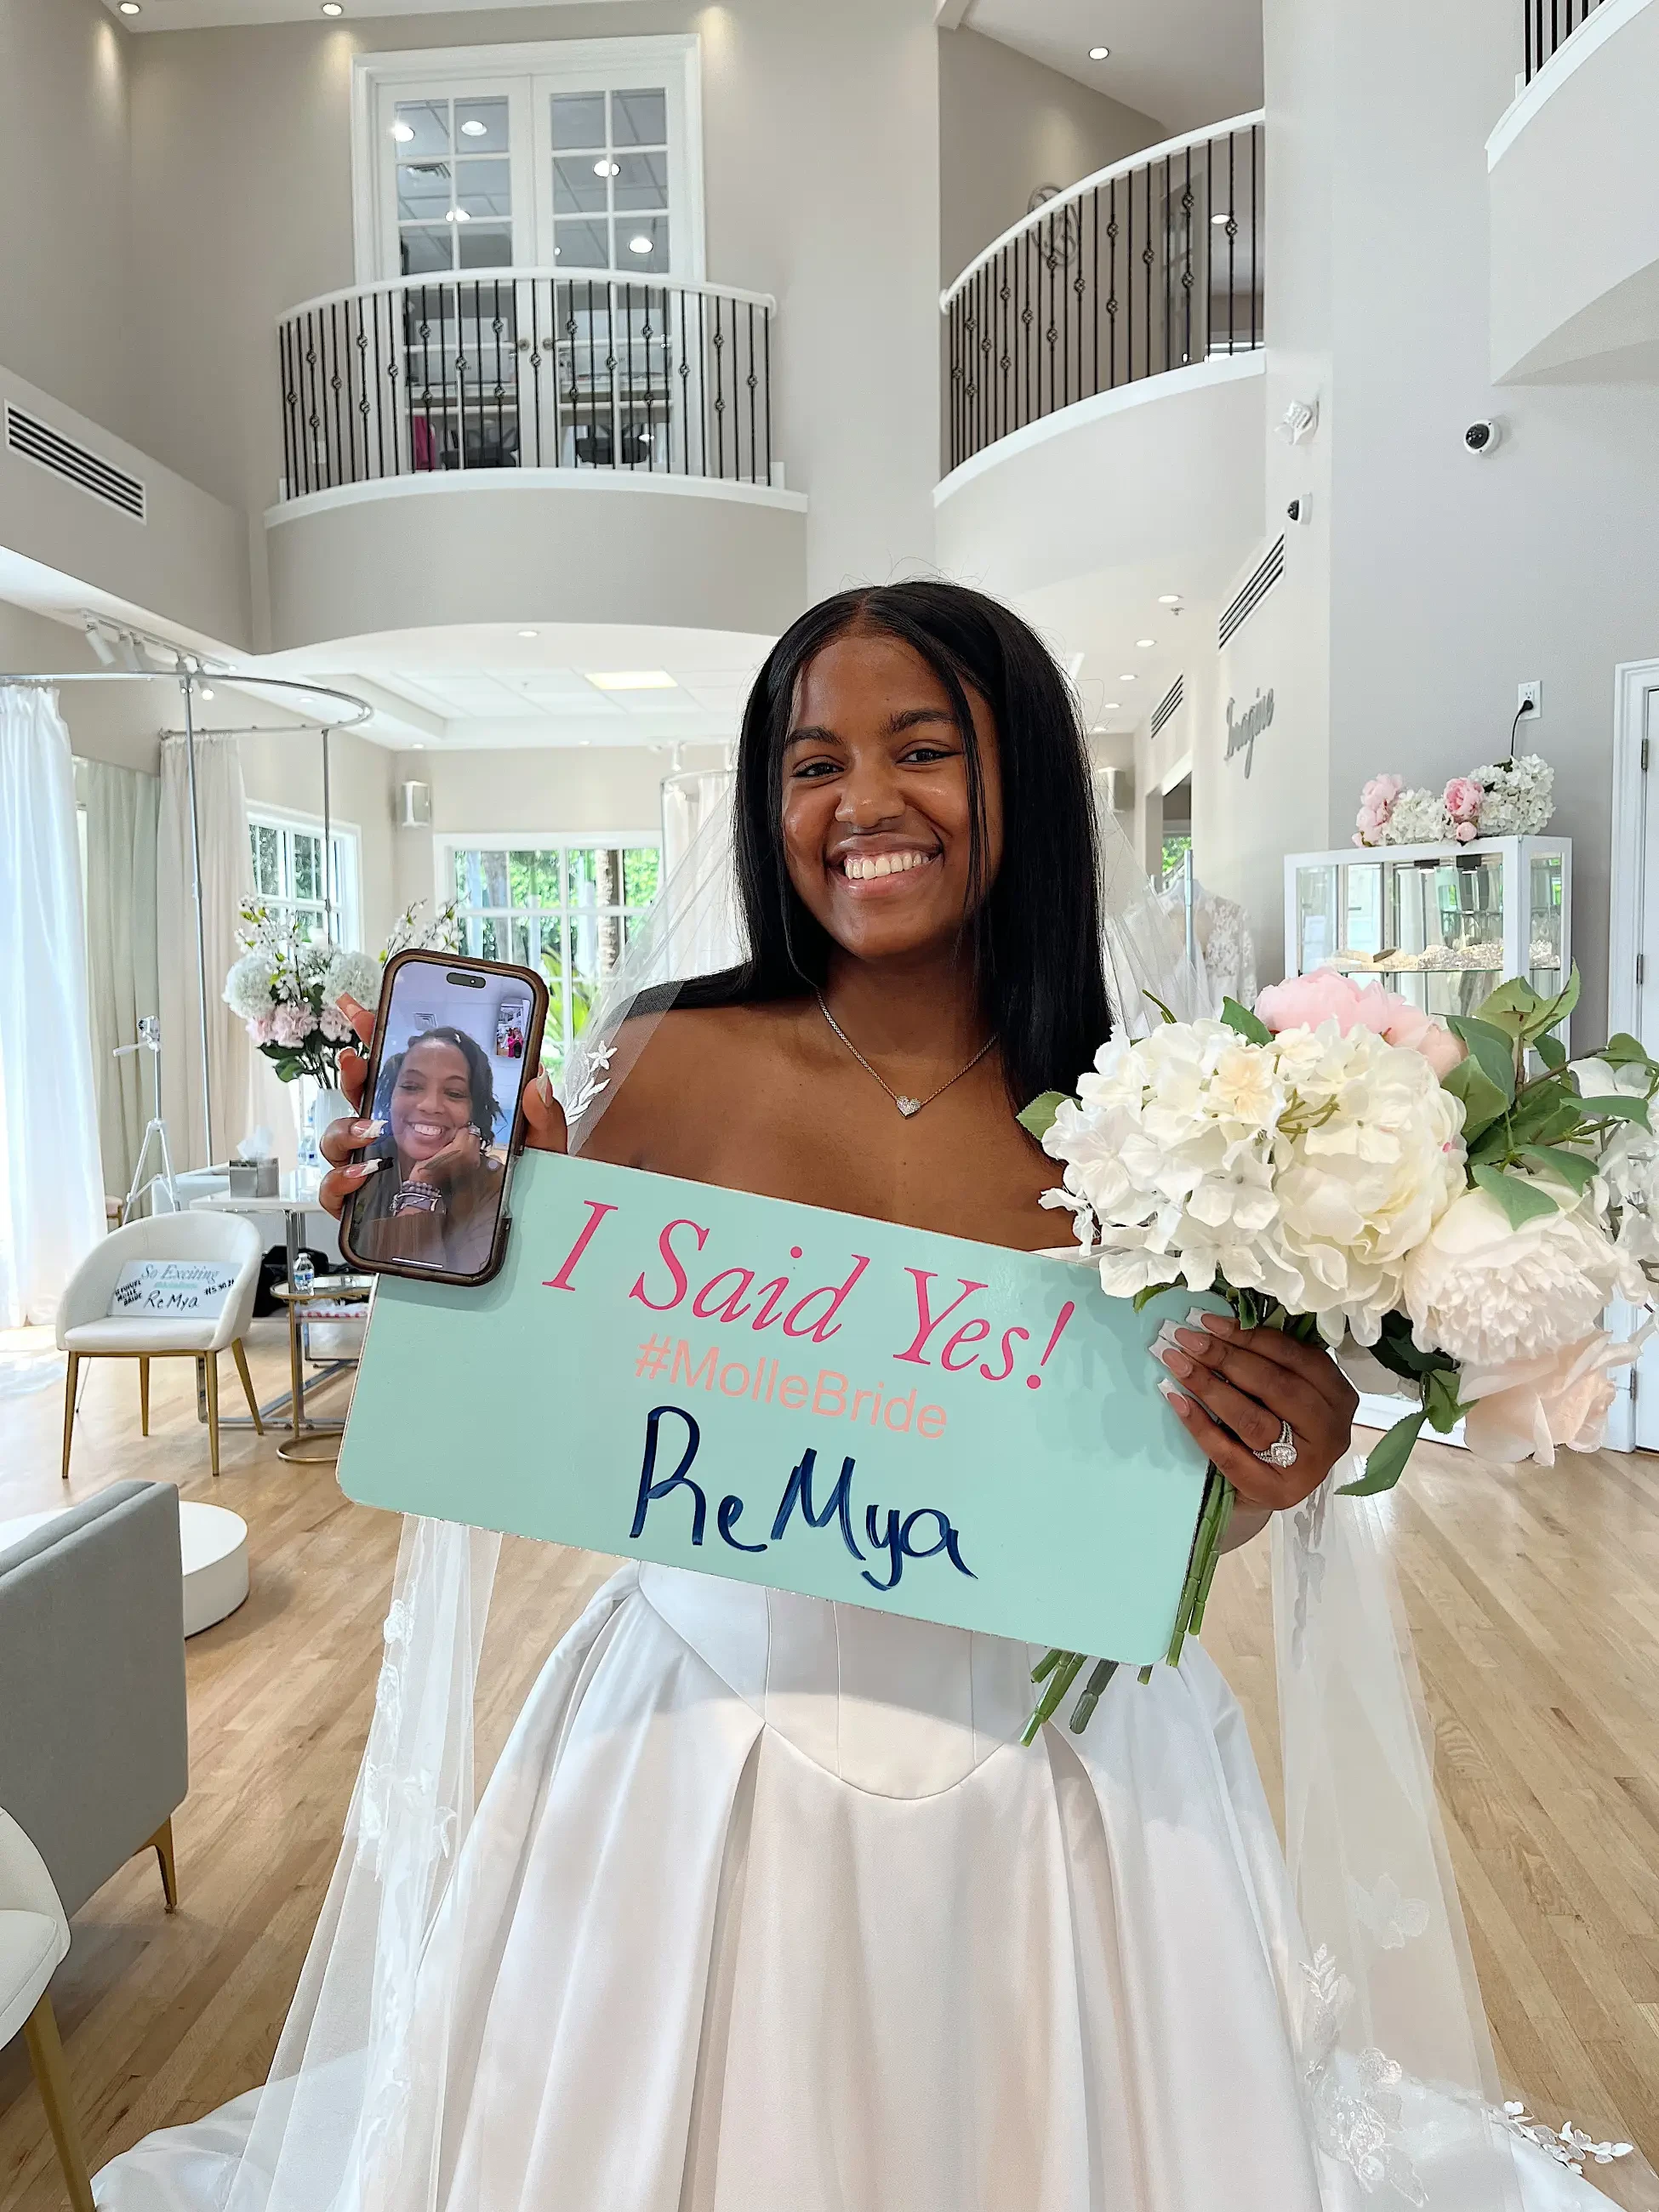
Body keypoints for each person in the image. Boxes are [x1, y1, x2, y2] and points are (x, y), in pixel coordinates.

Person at [95, 584, 1642, 2211]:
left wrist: (1272, 1455)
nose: (863, 806)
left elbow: (1147, 1506)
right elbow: (541, 1403)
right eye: (812, 762)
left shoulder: (1171, 1099)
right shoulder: (670, 1058)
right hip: (699, 1750)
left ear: (1021, 775)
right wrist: (441, 1227)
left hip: (1072, 1783)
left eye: (923, 749)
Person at [347, 1024, 505, 1276]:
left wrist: (422, 1186)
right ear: (390, 1098)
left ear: (474, 1111)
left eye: (454, 1093)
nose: (430, 1105)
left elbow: (417, 1296)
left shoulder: (494, 1183)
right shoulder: (365, 1162)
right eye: (411, 1086)